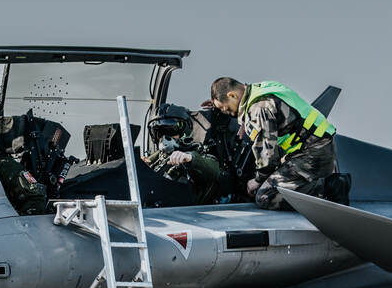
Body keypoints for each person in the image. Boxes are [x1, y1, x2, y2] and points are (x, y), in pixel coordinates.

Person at [211, 77, 337, 210]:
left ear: (232, 95)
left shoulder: (258, 109)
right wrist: (228, 109)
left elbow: (268, 156)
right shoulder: (262, 89)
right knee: (272, 180)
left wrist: (258, 180)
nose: (226, 112)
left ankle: (330, 188)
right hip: (321, 145)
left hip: (314, 153)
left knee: (265, 196)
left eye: (224, 108)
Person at [142, 103, 225, 203]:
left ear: (185, 130)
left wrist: (190, 158)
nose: (164, 137)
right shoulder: (157, 157)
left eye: (171, 131)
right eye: (158, 132)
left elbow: (214, 170)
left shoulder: (196, 152)